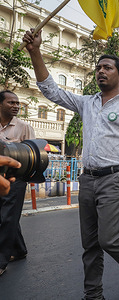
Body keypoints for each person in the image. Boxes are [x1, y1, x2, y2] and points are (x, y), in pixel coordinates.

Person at [23, 30, 119, 300]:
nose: (100, 71)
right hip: (88, 180)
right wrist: (35, 52)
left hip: (116, 179)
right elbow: (51, 89)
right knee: (90, 244)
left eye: (107, 67)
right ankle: (93, 295)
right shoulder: (87, 103)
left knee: (110, 240)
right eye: (98, 67)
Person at [0, 90, 35, 277]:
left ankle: (1, 260)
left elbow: (34, 154)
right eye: (11, 102)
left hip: (17, 178)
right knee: (7, 215)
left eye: (17, 103)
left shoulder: (24, 127)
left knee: (7, 217)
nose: (15, 106)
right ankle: (19, 249)